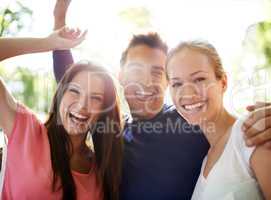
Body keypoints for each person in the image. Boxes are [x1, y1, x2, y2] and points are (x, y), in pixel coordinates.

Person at [52, 1, 271, 199]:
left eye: (157, 72)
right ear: (120, 76)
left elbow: (229, 126)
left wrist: (263, 119)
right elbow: (72, 83)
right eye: (136, 70)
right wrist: (59, 18)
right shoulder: (111, 131)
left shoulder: (191, 120)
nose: (146, 82)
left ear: (168, 81)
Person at [0, 28, 123, 200]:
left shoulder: (100, 170)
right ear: (60, 95)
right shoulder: (26, 131)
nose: (82, 106)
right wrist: (49, 43)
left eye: (95, 98)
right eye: (74, 91)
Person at [166, 41, 271, 199]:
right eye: (177, 83)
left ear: (223, 82)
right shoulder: (206, 160)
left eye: (199, 79)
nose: (187, 92)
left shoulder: (254, 131)